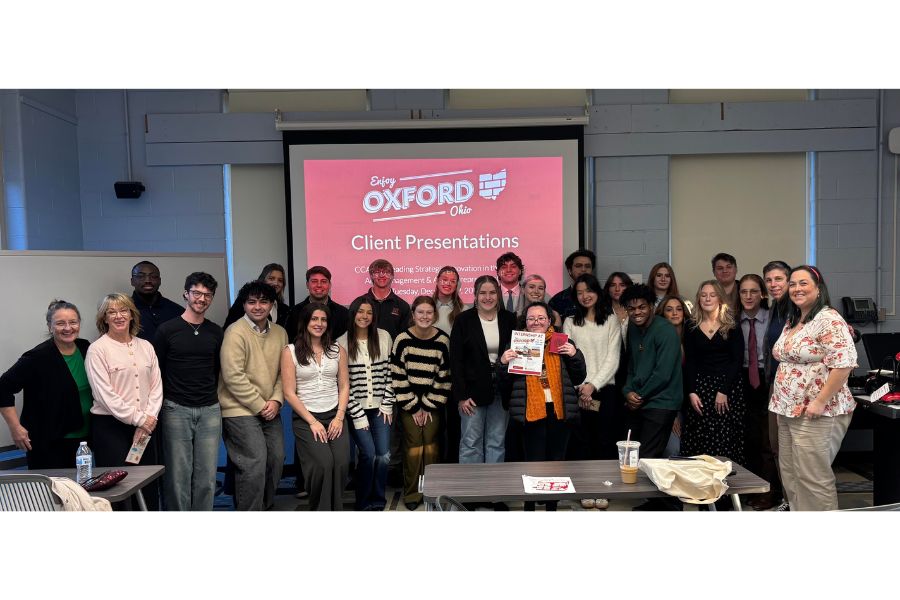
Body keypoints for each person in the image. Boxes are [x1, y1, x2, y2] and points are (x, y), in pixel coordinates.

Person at [770, 265, 857, 511]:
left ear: (818, 289)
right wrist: (782, 408)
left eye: (803, 283)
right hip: (788, 410)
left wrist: (819, 401)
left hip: (817, 410)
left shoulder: (828, 319)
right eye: (793, 284)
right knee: (791, 475)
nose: (797, 289)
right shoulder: (795, 319)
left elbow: (844, 364)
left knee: (812, 478)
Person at [497, 301, 586, 511]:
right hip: (530, 411)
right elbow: (503, 384)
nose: (536, 322)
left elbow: (579, 376)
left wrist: (575, 355)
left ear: (549, 320)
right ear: (525, 322)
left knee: (556, 464)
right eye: (531, 319)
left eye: (540, 318)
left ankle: (551, 508)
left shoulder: (562, 342)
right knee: (532, 465)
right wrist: (502, 364)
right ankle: (529, 508)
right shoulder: (516, 345)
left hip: (559, 411)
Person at [85, 293, 163, 510]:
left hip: (147, 427)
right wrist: (140, 419)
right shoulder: (97, 350)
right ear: (104, 318)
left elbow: (156, 387)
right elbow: (104, 395)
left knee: (148, 484)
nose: (118, 316)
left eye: (123, 310)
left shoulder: (146, 346)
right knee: (116, 489)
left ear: (131, 315)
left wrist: (148, 420)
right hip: (111, 429)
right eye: (112, 312)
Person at [153, 272, 224, 511]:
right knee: (177, 476)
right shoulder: (167, 330)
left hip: (210, 410)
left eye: (207, 295)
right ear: (186, 294)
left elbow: (217, 370)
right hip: (176, 409)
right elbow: (157, 372)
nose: (201, 299)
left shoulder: (216, 332)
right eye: (197, 293)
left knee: (206, 477)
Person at [218, 281, 288, 511]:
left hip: (270, 407)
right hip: (239, 409)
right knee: (255, 462)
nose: (258, 307)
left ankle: (264, 508)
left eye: (263, 301)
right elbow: (232, 376)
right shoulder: (235, 331)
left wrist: (276, 400)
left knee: (277, 459)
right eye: (252, 302)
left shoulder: (280, 333)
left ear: (272, 304)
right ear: (244, 305)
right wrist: (260, 405)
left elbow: (283, 372)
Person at [1, 300, 92, 469]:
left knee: (81, 492)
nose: (68, 328)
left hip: (85, 438)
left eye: (73, 322)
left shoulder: (86, 347)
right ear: (50, 326)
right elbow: (3, 388)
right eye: (60, 323)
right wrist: (15, 428)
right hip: (49, 441)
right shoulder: (37, 357)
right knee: (53, 493)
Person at [620, 284, 684, 511]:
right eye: (631, 308)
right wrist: (627, 391)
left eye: (641, 307)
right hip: (640, 401)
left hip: (662, 401)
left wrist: (640, 395)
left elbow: (663, 373)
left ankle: (670, 505)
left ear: (651, 306)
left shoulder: (665, 330)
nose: (636, 312)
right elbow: (631, 366)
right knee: (641, 458)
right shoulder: (633, 329)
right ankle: (658, 503)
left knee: (649, 456)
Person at [282, 304, 351, 511]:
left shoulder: (337, 350)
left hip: (335, 415)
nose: (318, 323)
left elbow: (344, 385)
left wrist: (339, 417)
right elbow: (288, 393)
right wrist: (312, 421)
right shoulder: (290, 351)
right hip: (306, 419)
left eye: (323, 319)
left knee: (340, 463)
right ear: (305, 322)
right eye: (314, 319)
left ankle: (335, 510)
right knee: (323, 464)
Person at [563, 274, 621, 511]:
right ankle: (586, 488)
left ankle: (603, 488)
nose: (585, 295)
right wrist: (582, 386)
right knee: (581, 443)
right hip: (577, 391)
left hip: (604, 390)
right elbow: (568, 358)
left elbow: (613, 358)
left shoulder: (611, 320)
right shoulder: (569, 322)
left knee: (604, 442)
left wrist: (593, 385)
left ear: (598, 292)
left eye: (589, 290)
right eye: (579, 292)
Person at [391, 296, 451, 510]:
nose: (425, 316)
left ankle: (433, 491)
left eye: (429, 313)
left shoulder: (443, 341)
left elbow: (444, 377)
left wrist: (426, 405)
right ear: (413, 315)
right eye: (420, 312)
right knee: (414, 446)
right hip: (409, 402)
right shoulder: (402, 340)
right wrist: (415, 407)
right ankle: (413, 493)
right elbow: (397, 375)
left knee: (432, 446)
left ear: (434, 315)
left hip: (433, 402)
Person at [450, 276, 516, 471]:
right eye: (483, 293)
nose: (488, 297)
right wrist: (461, 396)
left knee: (496, 442)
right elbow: (456, 361)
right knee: (471, 443)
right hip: (471, 393)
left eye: (492, 292)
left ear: (498, 294)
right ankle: (470, 495)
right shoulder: (463, 320)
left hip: (501, 390)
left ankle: (494, 496)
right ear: (475, 295)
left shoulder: (509, 318)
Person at [336, 296, 394, 510]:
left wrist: (387, 402)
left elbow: (390, 372)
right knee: (368, 455)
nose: (364, 316)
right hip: (356, 410)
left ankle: (377, 500)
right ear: (353, 314)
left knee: (384, 455)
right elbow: (342, 383)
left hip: (380, 409)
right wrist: (356, 413)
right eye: (360, 312)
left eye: (369, 312)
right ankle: (362, 501)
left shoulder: (384, 337)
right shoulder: (341, 342)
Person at [681, 280, 746, 469]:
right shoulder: (691, 325)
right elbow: (691, 361)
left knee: (725, 440)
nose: (707, 298)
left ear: (720, 298)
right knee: (700, 439)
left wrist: (723, 390)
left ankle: (727, 495)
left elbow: (736, 360)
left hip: (727, 389)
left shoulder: (731, 324)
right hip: (700, 388)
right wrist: (691, 391)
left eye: (712, 294)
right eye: (703, 295)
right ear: (698, 298)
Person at [737, 273, 779, 510]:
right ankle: (750, 488)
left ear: (763, 294)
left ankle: (768, 491)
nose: (749, 296)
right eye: (744, 291)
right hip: (743, 381)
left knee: (767, 440)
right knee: (748, 438)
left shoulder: (773, 318)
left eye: (754, 291)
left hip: (767, 379)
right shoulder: (732, 320)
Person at [760, 259, 792, 510]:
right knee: (777, 445)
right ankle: (787, 499)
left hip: (795, 388)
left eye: (778, 279)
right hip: (776, 384)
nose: (773, 284)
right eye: (769, 280)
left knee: (789, 449)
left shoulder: (797, 306)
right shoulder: (776, 307)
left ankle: (795, 501)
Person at [431, 265, 466, 463]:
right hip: (430, 376)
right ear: (437, 281)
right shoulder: (427, 307)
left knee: (454, 426)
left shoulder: (464, 310)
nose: (448, 283)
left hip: (453, 376)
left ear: (457, 285)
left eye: (452, 281)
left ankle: (452, 465)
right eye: (444, 279)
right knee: (435, 426)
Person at [656, 295, 690, 458]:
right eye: (669, 310)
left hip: (692, 403)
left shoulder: (693, 338)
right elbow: (662, 379)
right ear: (662, 314)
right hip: (668, 404)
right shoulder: (658, 340)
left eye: (678, 309)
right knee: (672, 450)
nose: (675, 313)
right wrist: (673, 414)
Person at [285, 265, 350, 341]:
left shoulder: (343, 313)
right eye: (314, 281)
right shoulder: (294, 312)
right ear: (307, 285)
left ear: (330, 285)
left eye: (323, 281)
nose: (319, 285)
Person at [224, 263, 290, 330]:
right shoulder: (244, 301)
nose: (276, 283)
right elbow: (229, 327)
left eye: (280, 280)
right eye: (271, 278)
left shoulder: (285, 309)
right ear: (263, 279)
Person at [130, 261, 183, 341]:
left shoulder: (177, 311)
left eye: (153, 276)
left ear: (159, 281)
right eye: (141, 276)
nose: (147, 280)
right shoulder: (123, 311)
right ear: (132, 281)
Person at [362, 259, 410, 340]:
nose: (381, 275)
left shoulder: (403, 306)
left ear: (392, 276)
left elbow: (406, 337)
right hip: (365, 351)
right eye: (377, 272)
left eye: (386, 272)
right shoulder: (361, 302)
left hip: (393, 352)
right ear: (371, 276)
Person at [549, 249, 595, 323]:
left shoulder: (604, 297)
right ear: (570, 271)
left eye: (587, 266)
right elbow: (552, 331)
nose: (583, 269)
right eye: (578, 266)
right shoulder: (557, 300)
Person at [604, 272, 633, 344]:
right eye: (613, 285)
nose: (617, 289)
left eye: (622, 285)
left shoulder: (635, 310)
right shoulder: (601, 311)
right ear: (608, 289)